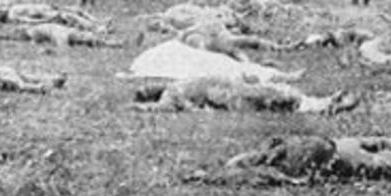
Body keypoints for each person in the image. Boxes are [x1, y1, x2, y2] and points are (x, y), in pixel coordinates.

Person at [186, 135, 391, 186]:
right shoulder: (262, 173)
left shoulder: (246, 162)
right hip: (339, 160)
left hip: (337, 146)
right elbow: (291, 179)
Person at [131, 77, 359, 114]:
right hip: (224, 93)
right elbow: (161, 108)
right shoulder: (171, 92)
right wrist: (139, 107)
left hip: (226, 89)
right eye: (146, 89)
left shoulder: (175, 85)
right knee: (266, 98)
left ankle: (322, 103)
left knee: (267, 94)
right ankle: (325, 104)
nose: (150, 86)